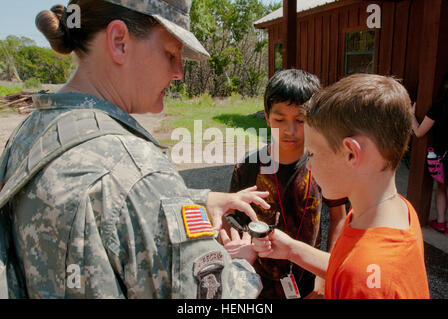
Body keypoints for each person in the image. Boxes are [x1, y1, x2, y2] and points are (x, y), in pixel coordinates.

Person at [0, 0, 271, 298]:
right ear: (119, 42)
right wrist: (240, 268)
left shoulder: (31, 132)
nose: (179, 71)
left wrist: (196, 200)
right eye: (171, 53)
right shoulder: (136, 168)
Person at [253, 74, 430, 299]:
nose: (308, 165)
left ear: (350, 154)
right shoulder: (393, 210)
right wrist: (291, 250)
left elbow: (357, 273)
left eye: (313, 153)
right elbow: (346, 264)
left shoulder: (365, 285)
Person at [220, 69, 348, 299]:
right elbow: (230, 220)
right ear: (267, 117)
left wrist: (325, 275)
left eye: (300, 120)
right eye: (280, 120)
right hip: (255, 283)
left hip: (309, 280)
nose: (290, 131)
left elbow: (339, 217)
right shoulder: (248, 167)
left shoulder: (322, 165)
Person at [411, 72, 448, 237]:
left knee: (441, 188)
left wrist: (410, 115)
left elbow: (419, 132)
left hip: (444, 156)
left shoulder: (439, 105)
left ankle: (441, 222)